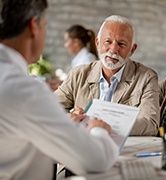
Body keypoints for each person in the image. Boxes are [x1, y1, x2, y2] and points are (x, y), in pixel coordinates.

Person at [0, 0, 119, 179]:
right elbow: (96, 160)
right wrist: (98, 129)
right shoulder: (26, 90)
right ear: (34, 26)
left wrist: (61, 121)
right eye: (45, 27)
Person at [55, 15, 160, 136]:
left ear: (132, 50)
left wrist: (104, 125)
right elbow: (50, 108)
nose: (113, 49)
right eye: (108, 42)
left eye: (121, 44)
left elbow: (150, 124)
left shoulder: (147, 78)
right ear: (98, 43)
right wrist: (69, 117)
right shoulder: (78, 74)